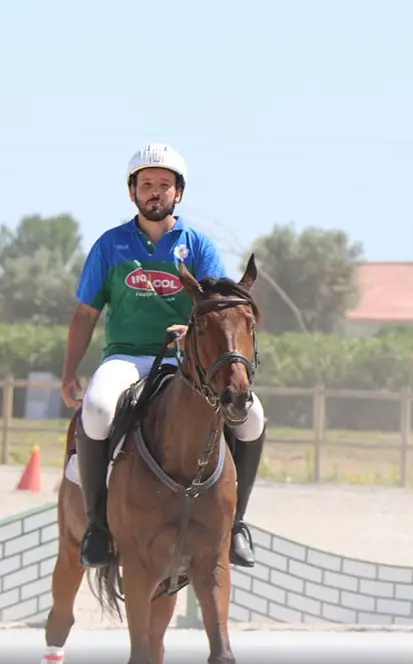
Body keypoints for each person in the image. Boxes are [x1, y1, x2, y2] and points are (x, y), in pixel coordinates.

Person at [60, 142, 267, 568]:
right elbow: (85, 313)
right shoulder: (110, 246)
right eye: (147, 184)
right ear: (132, 191)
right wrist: (68, 372)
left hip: (186, 362)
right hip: (125, 358)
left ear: (179, 193)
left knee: (254, 418)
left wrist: (190, 330)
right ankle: (98, 527)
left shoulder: (199, 246)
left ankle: (238, 524)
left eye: (165, 185)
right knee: (97, 409)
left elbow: (218, 309)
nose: (156, 192)